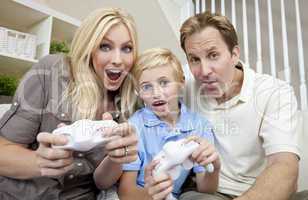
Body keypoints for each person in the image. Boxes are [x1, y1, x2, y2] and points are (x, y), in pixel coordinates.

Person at [145, 11, 308, 200]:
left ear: (234, 54)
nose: (204, 71)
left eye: (213, 55)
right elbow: (143, 84)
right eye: (194, 59)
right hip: (209, 193)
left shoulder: (274, 93)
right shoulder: (183, 84)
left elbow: (284, 166)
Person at [0, 7, 139, 200]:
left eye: (127, 48)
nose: (118, 60)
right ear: (89, 47)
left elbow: (102, 182)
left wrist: (117, 159)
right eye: (105, 46)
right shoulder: (51, 71)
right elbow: (2, 153)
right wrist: (39, 162)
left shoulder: (127, 102)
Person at [112, 48, 220, 200]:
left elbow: (205, 188)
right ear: (138, 91)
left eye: (164, 83)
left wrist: (214, 167)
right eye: (146, 87)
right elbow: (126, 193)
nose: (156, 93)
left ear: (181, 82)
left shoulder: (199, 125)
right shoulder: (134, 127)